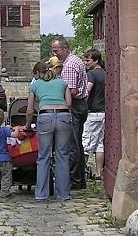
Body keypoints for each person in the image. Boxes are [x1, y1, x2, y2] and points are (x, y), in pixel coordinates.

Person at [24, 60, 72, 202]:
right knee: (62, 155)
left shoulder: (35, 85)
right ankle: (64, 194)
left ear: (39, 73)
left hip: (45, 116)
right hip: (63, 115)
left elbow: (29, 110)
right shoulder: (62, 83)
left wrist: (27, 125)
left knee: (43, 156)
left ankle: (41, 194)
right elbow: (69, 103)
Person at [51, 38, 89, 190]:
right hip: (80, 105)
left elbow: (71, 91)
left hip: (73, 106)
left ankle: (74, 180)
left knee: (72, 144)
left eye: (56, 51)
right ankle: (79, 179)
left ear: (65, 48)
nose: (54, 54)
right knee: (77, 143)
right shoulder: (75, 61)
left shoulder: (69, 66)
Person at [83, 48, 106, 181]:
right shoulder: (105, 73)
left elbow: (88, 90)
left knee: (85, 143)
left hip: (92, 113)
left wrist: (82, 103)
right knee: (99, 144)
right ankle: (98, 173)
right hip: (103, 112)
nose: (85, 63)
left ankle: (81, 173)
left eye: (88, 60)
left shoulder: (91, 74)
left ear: (95, 60)